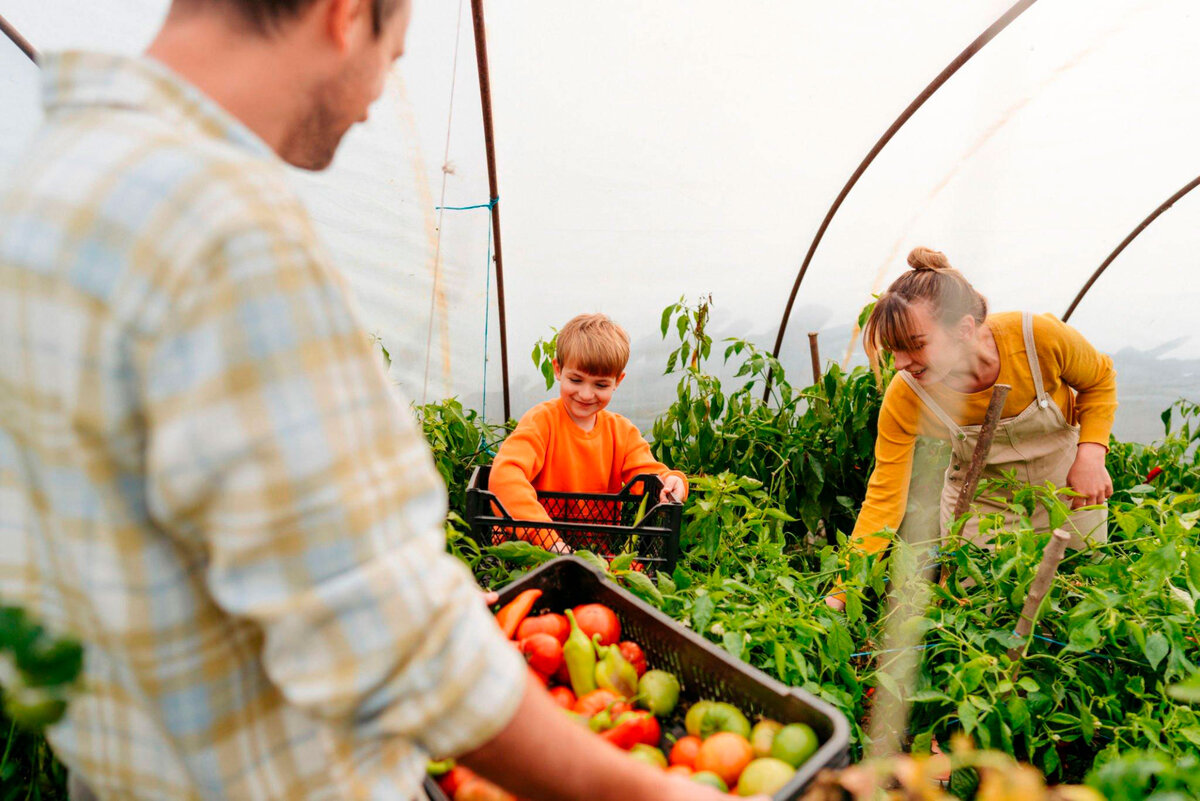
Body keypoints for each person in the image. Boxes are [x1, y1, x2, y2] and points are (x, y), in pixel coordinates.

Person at [0, 1, 755, 799]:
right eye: (392, 54)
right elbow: (385, 631)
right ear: (346, 12)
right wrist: (639, 790)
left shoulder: (45, 185)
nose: (374, 99)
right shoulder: (224, 232)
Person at [827, 247, 1116, 609]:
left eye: (915, 346)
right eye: (893, 350)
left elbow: (1099, 379)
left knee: (1084, 596)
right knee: (982, 609)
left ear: (964, 329)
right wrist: (839, 595)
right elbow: (884, 499)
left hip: (1066, 491)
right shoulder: (907, 395)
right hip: (981, 508)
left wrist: (1091, 453)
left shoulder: (1035, 337)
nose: (900, 363)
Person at [488, 314, 688, 551]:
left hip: (593, 553)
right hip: (531, 550)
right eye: (576, 380)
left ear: (618, 381)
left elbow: (648, 475)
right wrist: (547, 539)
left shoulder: (621, 432)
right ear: (558, 370)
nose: (585, 394)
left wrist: (673, 482)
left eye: (600, 385)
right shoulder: (541, 422)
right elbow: (505, 475)